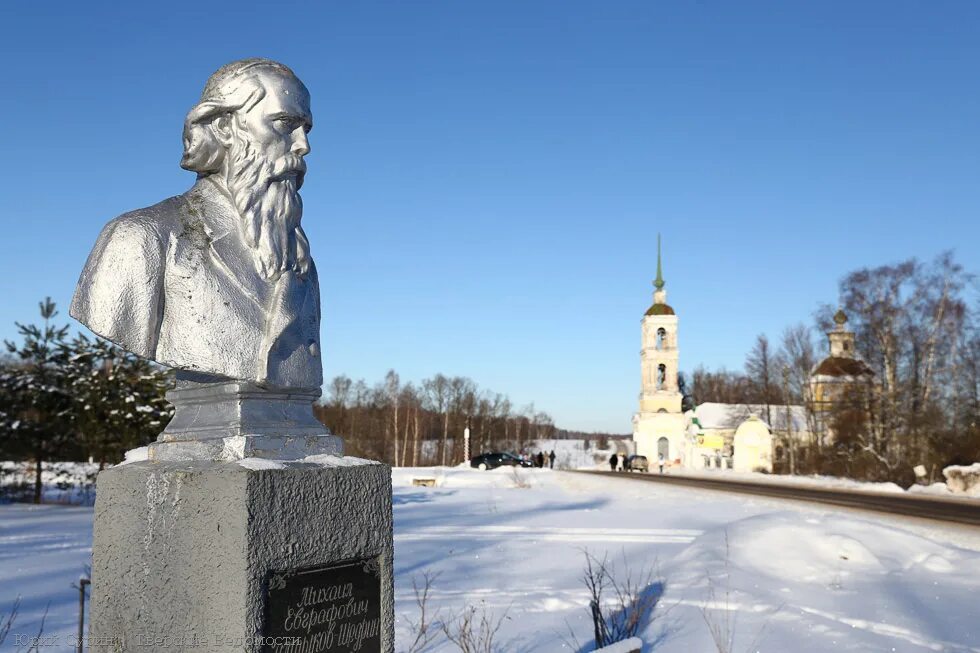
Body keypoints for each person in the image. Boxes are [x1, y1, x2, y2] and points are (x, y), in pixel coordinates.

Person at [71, 59, 320, 391]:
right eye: (285, 123)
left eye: (306, 128)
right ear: (224, 127)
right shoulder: (141, 237)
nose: (303, 145)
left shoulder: (300, 260)